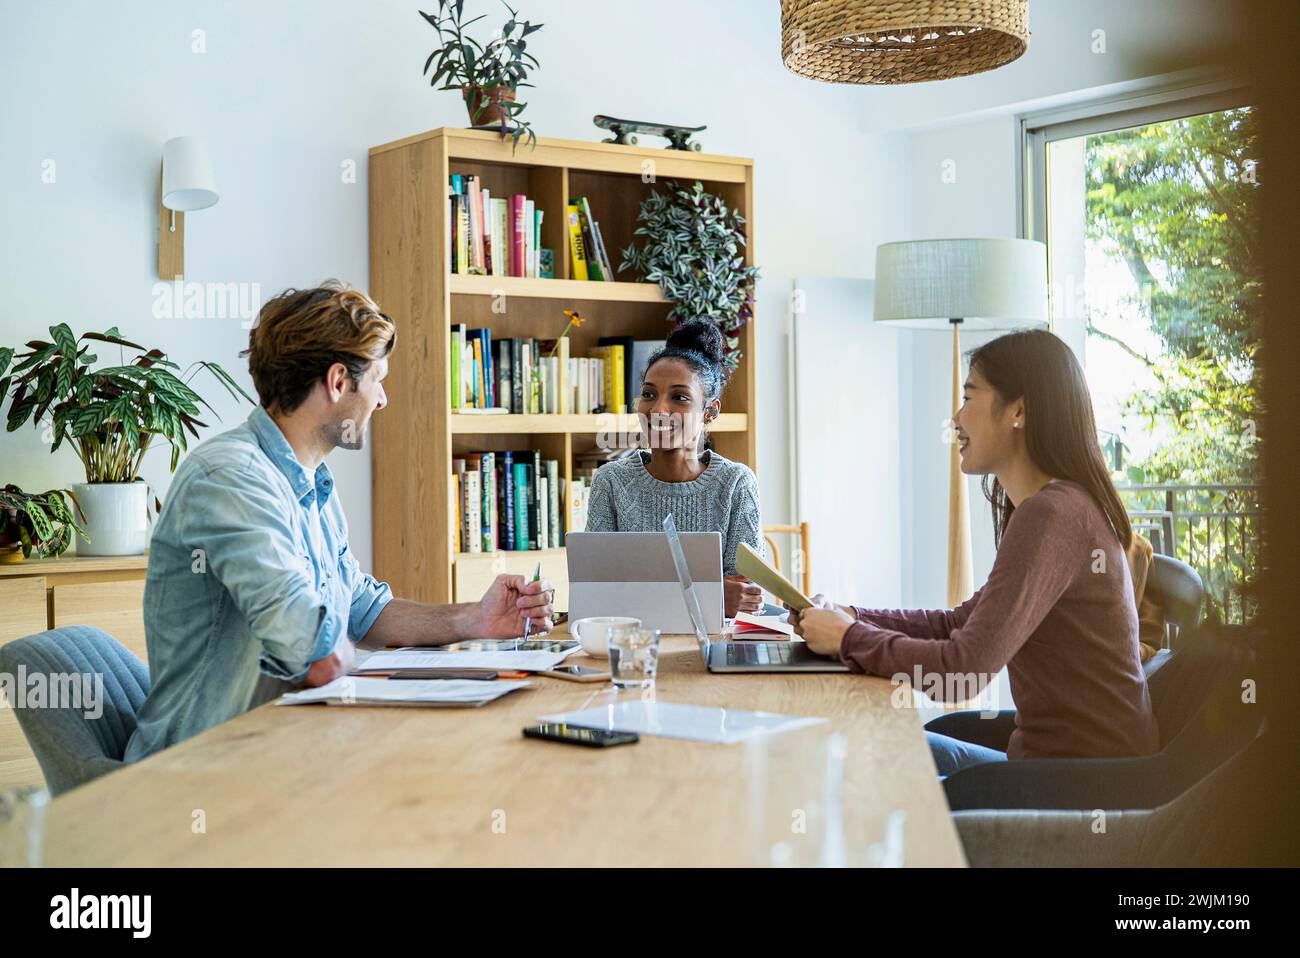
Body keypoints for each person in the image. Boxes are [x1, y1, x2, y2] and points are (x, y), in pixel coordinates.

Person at [125, 281, 554, 760]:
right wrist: (398, 680)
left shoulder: (313, 481)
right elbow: (314, 648)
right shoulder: (230, 479)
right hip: (204, 766)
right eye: (377, 380)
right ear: (336, 382)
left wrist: (472, 618)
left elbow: (359, 609)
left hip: (288, 749)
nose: (382, 400)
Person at [789, 329, 1159, 775]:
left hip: (1081, 785)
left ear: (1018, 410)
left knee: (872, 749)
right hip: (1064, 768)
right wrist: (851, 616)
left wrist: (848, 638)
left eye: (968, 397)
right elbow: (956, 625)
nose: (956, 418)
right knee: (881, 741)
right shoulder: (1060, 507)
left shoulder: (1054, 515)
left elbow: (963, 668)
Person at [584, 320, 764, 618]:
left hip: (715, 651)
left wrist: (639, 592)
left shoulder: (736, 483)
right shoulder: (611, 481)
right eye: (649, 394)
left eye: (679, 397)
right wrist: (712, 595)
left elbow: (746, 599)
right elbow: (595, 592)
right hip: (633, 647)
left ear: (710, 410)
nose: (658, 410)